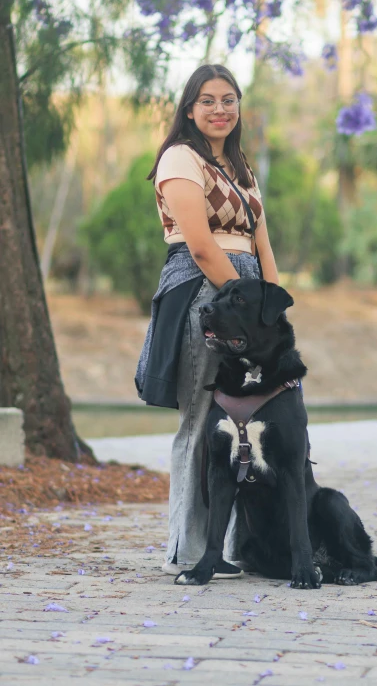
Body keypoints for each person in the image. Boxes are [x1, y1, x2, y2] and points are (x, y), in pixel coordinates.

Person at [135, 64, 279, 578]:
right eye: (208, 100)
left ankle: (241, 546)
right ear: (190, 108)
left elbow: (262, 245)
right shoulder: (179, 158)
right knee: (201, 418)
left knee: (245, 422)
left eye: (229, 99)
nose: (220, 109)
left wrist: (272, 309)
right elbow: (199, 245)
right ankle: (191, 547)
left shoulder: (242, 167)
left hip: (247, 296)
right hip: (204, 292)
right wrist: (240, 299)